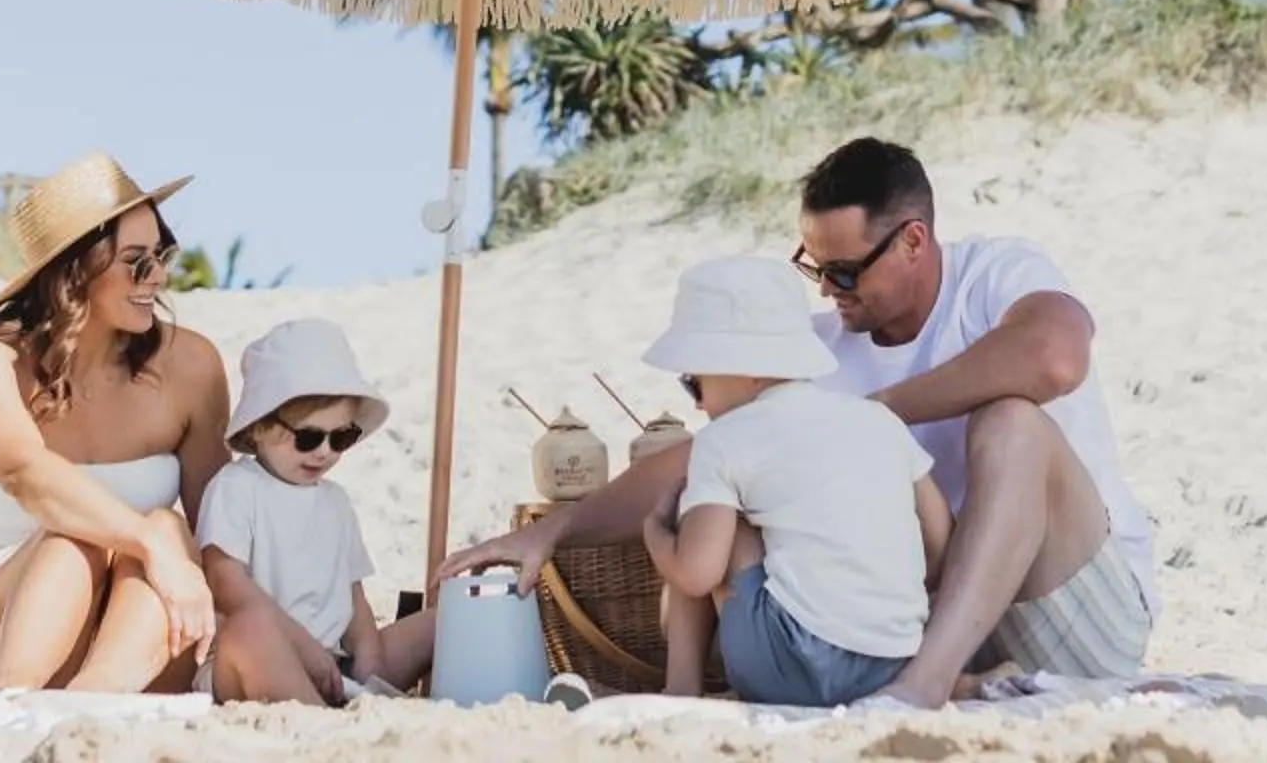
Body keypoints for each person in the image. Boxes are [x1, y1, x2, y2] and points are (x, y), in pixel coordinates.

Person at [442, 136, 1157, 708]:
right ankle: (924, 677)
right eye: (814, 269)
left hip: (1068, 609)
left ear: (913, 241)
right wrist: (551, 530)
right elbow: (702, 460)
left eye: (844, 272)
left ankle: (925, 686)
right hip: (923, 624)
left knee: (1011, 422)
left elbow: (1054, 357)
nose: (828, 290)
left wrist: (872, 416)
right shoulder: (812, 353)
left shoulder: (994, 273)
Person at [0, 154, 230, 700]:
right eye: (135, 261)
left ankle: (90, 704)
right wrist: (147, 538)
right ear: (76, 269)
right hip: (8, 629)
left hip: (139, 642)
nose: (158, 276)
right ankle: (19, 706)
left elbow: (219, 523)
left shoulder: (190, 366)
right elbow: (23, 473)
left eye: (160, 256)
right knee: (77, 537)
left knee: (172, 532)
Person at [637, 258, 951, 708]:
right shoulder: (879, 420)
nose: (699, 403)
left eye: (695, 383)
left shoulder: (722, 440)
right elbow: (939, 541)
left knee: (709, 524)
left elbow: (696, 574)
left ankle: (682, 687)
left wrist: (656, 531)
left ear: (744, 368)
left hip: (789, 670)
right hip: (895, 663)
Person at [198, 318, 435, 704]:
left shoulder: (335, 501)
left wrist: (369, 661)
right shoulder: (236, 488)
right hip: (255, 661)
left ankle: (363, 702)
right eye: (308, 437)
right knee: (252, 628)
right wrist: (302, 646)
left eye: (341, 437)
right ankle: (319, 722)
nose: (325, 452)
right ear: (258, 428)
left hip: (334, 663)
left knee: (448, 620)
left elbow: (353, 596)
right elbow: (228, 587)